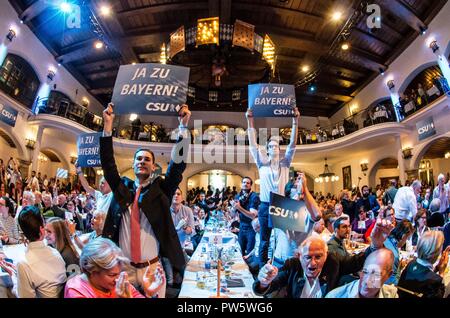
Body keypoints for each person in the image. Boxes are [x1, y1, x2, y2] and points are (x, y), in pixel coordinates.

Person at [99, 102, 190, 295]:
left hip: (152, 269)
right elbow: (108, 165)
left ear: (154, 166)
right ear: (133, 165)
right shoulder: (122, 188)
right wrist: (107, 127)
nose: (142, 162)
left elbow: (177, 167)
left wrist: (182, 128)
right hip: (124, 269)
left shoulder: (161, 190)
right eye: (138, 159)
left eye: (147, 159)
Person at [253, 216, 394, 298]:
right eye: (308, 257)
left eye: (318, 257)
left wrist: (376, 244)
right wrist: (264, 282)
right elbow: (269, 285)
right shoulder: (293, 265)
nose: (312, 263)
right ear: (299, 256)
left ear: (326, 255)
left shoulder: (334, 262)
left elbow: (358, 262)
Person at [246, 106, 301, 266]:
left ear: (279, 149)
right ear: (267, 151)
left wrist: (295, 120)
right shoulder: (262, 165)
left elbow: (292, 144)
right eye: (270, 146)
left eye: (275, 146)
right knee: (264, 239)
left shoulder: (286, 163)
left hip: (282, 204)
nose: (273, 148)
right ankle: (263, 270)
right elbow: (253, 144)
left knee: (284, 239)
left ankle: (282, 267)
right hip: (264, 205)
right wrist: (250, 120)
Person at [64, 238, 165, 298]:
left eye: (119, 273)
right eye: (111, 275)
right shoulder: (76, 290)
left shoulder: (116, 282)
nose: (117, 279)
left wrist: (150, 293)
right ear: (90, 271)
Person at [15, 206, 67, 297]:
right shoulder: (55, 252)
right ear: (41, 229)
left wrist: (14, 281)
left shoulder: (23, 263)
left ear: (22, 232)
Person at [326, 248, 398, 298]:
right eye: (365, 272)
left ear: (389, 275)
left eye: (376, 274)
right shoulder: (336, 296)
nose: (367, 281)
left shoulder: (391, 294)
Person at [398, 231, 449, 298]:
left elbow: (422, 278)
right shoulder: (435, 280)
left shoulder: (411, 264)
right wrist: (441, 273)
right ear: (436, 253)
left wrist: (436, 269)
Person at [232, 177, 260, 256]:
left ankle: (248, 268)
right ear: (241, 184)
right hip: (242, 226)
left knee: (249, 251)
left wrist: (239, 208)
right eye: (244, 182)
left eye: (248, 183)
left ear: (251, 185)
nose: (245, 184)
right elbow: (233, 215)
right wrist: (233, 208)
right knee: (240, 251)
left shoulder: (254, 196)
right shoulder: (238, 196)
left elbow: (252, 216)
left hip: (251, 227)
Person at [384, 219, 414, 285]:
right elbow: (392, 282)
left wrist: (399, 268)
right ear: (403, 236)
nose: (406, 241)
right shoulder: (394, 255)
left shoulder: (385, 239)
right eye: (407, 238)